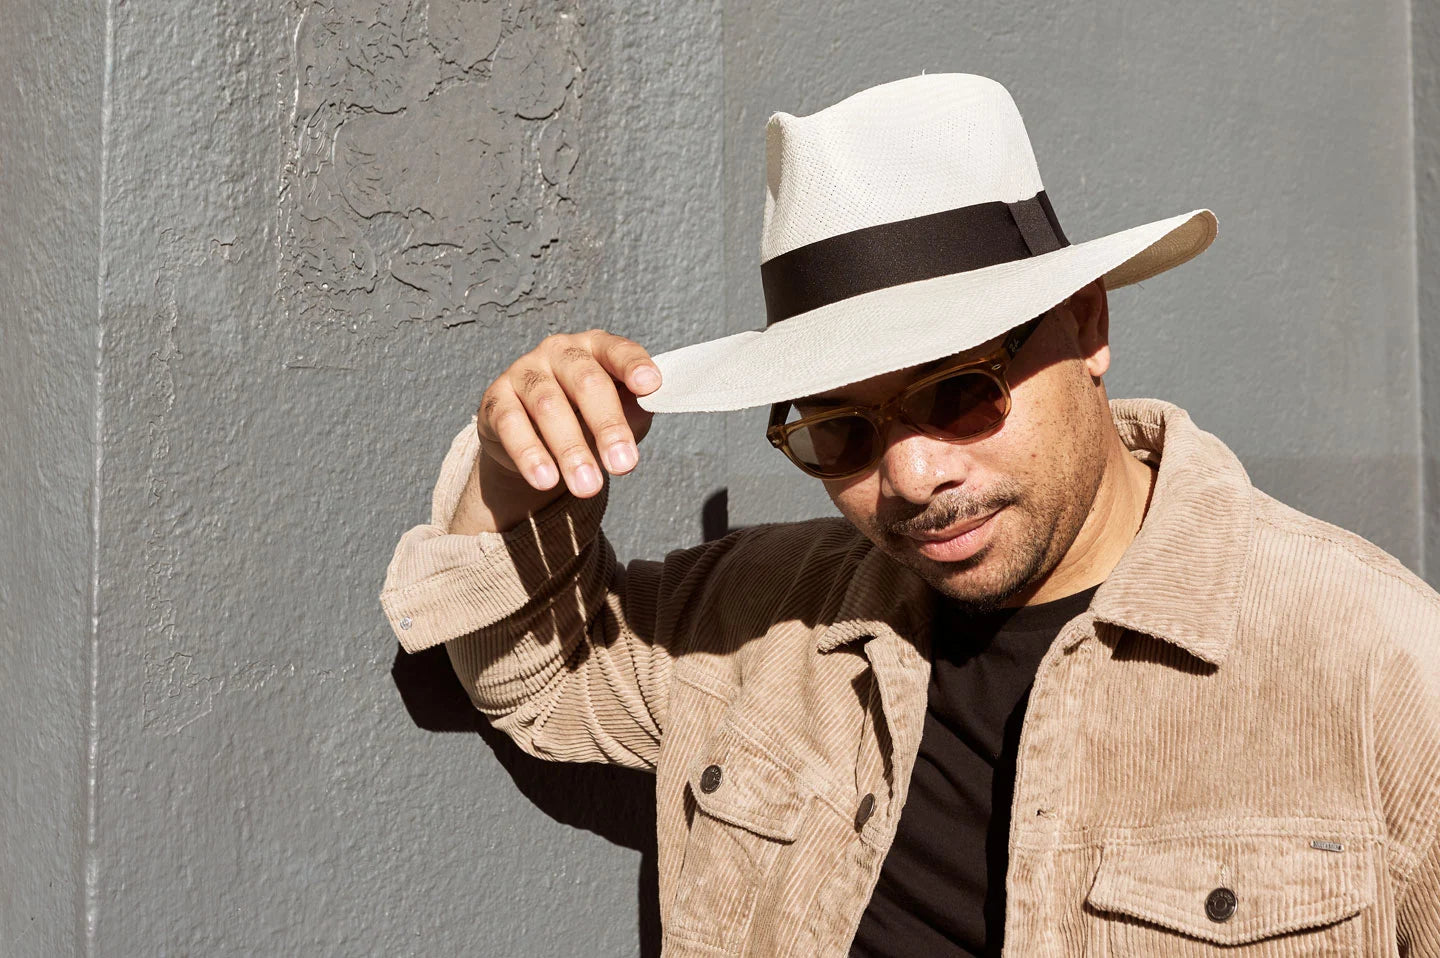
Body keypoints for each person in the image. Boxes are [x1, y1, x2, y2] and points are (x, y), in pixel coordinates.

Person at [380, 74, 1440, 956]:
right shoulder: (764, 619)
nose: (911, 474)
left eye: (959, 391)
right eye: (839, 430)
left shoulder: (1380, 669)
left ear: (1085, 324)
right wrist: (512, 470)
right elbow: (528, 665)